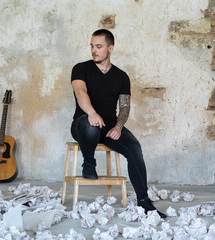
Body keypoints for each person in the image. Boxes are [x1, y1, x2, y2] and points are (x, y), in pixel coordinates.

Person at [70, 29, 166, 219]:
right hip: (83, 124)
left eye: (99, 46)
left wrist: (118, 127)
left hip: (109, 126)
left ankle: (144, 201)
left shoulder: (121, 76)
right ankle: (89, 163)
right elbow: (81, 93)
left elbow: (124, 107)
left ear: (110, 48)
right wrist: (91, 113)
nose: (94, 50)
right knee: (91, 126)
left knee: (134, 148)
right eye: (92, 46)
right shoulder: (80, 68)